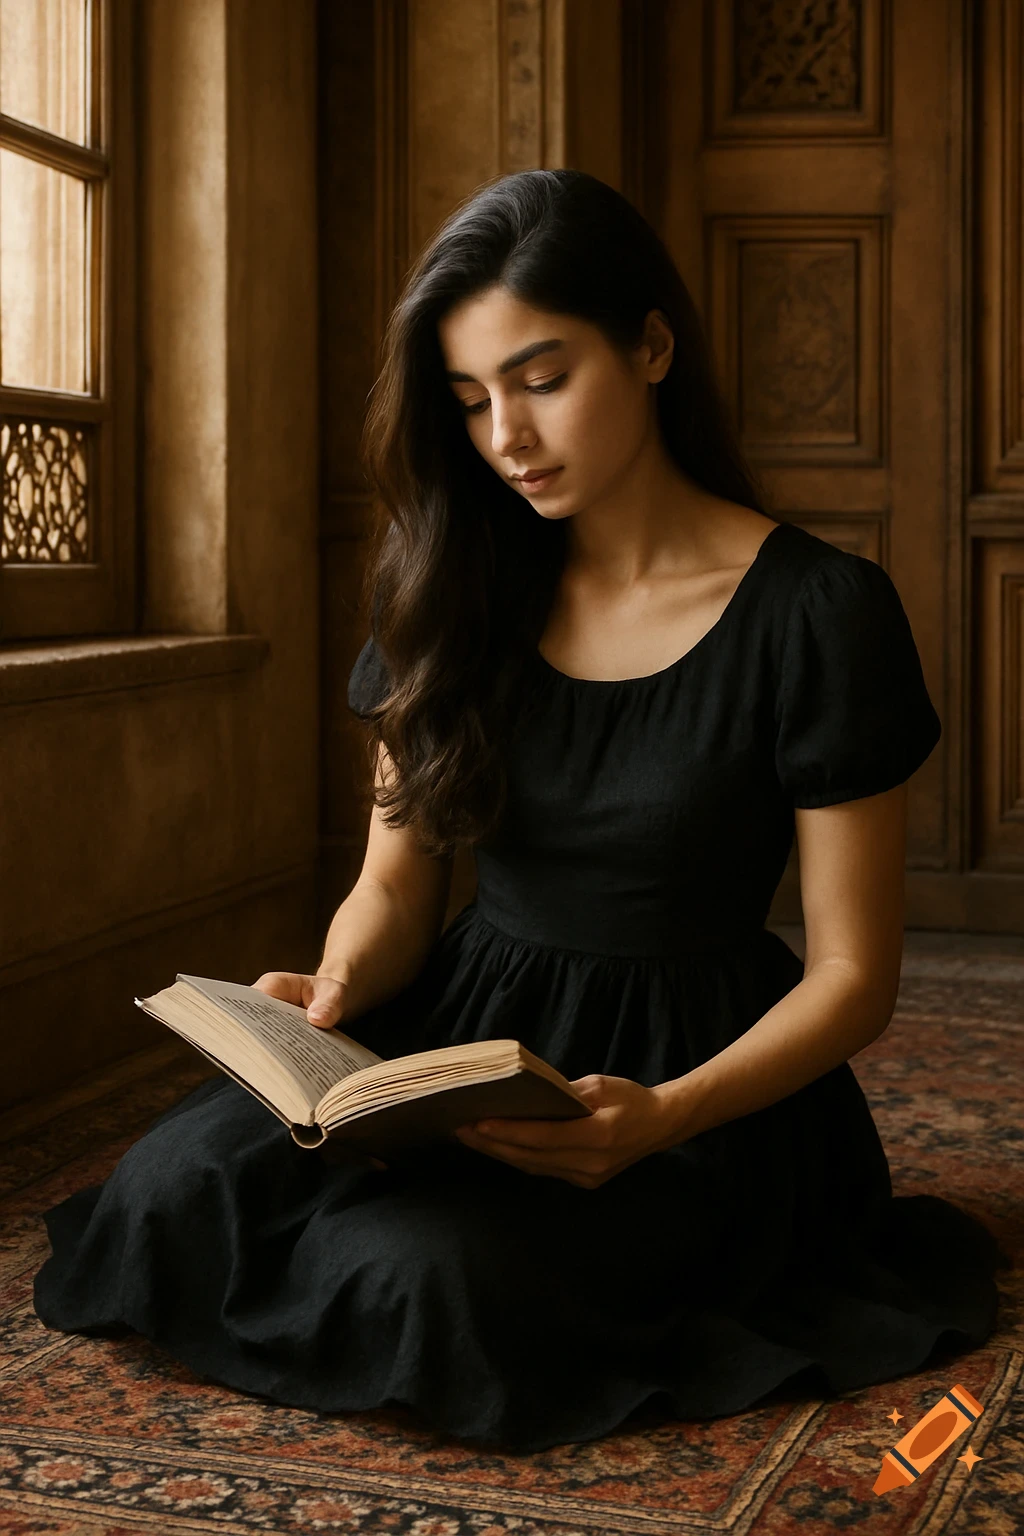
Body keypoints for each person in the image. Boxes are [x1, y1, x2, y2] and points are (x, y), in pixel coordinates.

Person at [34, 169, 1008, 1454]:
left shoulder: (819, 612)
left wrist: (664, 1115)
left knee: (429, 1275)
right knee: (171, 1189)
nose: (506, 436)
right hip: (467, 1032)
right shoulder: (453, 580)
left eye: (541, 379)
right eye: (469, 398)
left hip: (686, 1072)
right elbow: (394, 884)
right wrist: (332, 995)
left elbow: (852, 978)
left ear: (650, 345)